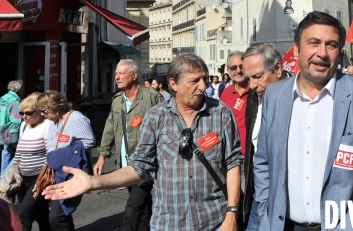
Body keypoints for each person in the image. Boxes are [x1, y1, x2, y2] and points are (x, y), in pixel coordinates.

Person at [42, 54, 243, 231]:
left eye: (205, 79)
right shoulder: (156, 117)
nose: (204, 86)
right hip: (168, 223)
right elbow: (139, 167)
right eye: (195, 81)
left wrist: (232, 213)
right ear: (173, 84)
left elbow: (233, 163)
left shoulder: (221, 113)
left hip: (215, 220)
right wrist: (94, 181)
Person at [254, 11, 353, 230]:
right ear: (297, 48)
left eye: (331, 45)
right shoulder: (274, 95)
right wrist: (265, 210)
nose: (322, 53)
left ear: (339, 52)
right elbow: (263, 160)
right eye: (314, 43)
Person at [95, 60, 164, 231]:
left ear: (134, 76)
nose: (116, 77)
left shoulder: (152, 97)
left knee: (132, 211)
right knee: (144, 209)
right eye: (116, 74)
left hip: (145, 164)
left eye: (121, 73)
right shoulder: (118, 100)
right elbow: (110, 127)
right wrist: (102, 156)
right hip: (125, 164)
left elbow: (166, 126)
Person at [240, 43, 286, 231]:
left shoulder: (299, 98)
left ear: (277, 68)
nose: (252, 85)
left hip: (286, 205)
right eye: (248, 78)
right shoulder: (253, 97)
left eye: (258, 77)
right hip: (258, 200)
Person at [37, 90, 95, 231]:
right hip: (56, 173)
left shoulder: (76, 118)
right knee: (62, 214)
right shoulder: (52, 122)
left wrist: (65, 153)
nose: (42, 115)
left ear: (54, 106)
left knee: (58, 217)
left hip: (71, 173)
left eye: (44, 110)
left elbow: (89, 141)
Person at [13, 92, 52, 231]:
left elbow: (50, 154)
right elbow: (19, 150)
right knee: (41, 214)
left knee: (23, 214)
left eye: (29, 113)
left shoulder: (47, 125)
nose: (25, 116)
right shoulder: (24, 125)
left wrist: (41, 180)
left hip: (39, 179)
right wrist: (12, 170)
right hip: (24, 178)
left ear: (40, 112)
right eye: (22, 113)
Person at [221, 52, 250, 161]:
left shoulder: (256, 89)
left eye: (241, 66)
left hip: (255, 155)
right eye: (234, 68)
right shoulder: (225, 94)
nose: (238, 71)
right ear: (228, 71)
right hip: (234, 157)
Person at [0, 80, 23, 179]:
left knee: (5, 154)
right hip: (12, 132)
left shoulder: (2, 100)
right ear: (18, 89)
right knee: (21, 152)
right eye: (21, 88)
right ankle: (5, 175)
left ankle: (2, 178)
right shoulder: (15, 101)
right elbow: (17, 119)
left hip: (2, 131)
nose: (22, 90)